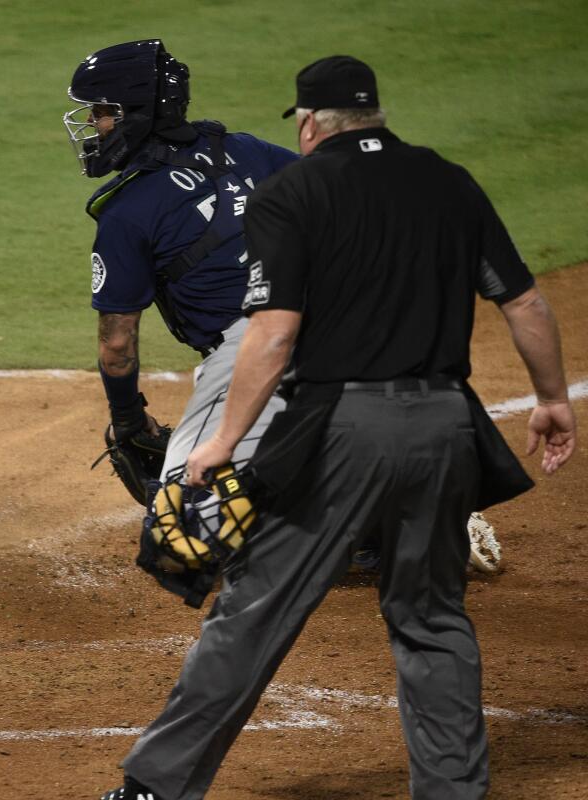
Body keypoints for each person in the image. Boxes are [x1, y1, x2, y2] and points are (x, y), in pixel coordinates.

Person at [103, 56, 576, 800]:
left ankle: (155, 790)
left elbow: (272, 336)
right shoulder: (450, 181)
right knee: (432, 617)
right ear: (375, 114)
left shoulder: (294, 188)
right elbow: (524, 305)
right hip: (449, 426)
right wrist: (552, 397)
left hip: (345, 430)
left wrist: (220, 443)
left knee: (253, 610)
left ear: (312, 121)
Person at [63, 39, 297, 534]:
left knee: (178, 526)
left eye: (104, 112)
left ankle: (364, 527)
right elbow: (340, 197)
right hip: (347, 330)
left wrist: (127, 420)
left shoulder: (126, 213)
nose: (97, 126)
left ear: (137, 113)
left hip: (254, 351)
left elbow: (117, 345)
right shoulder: (248, 150)